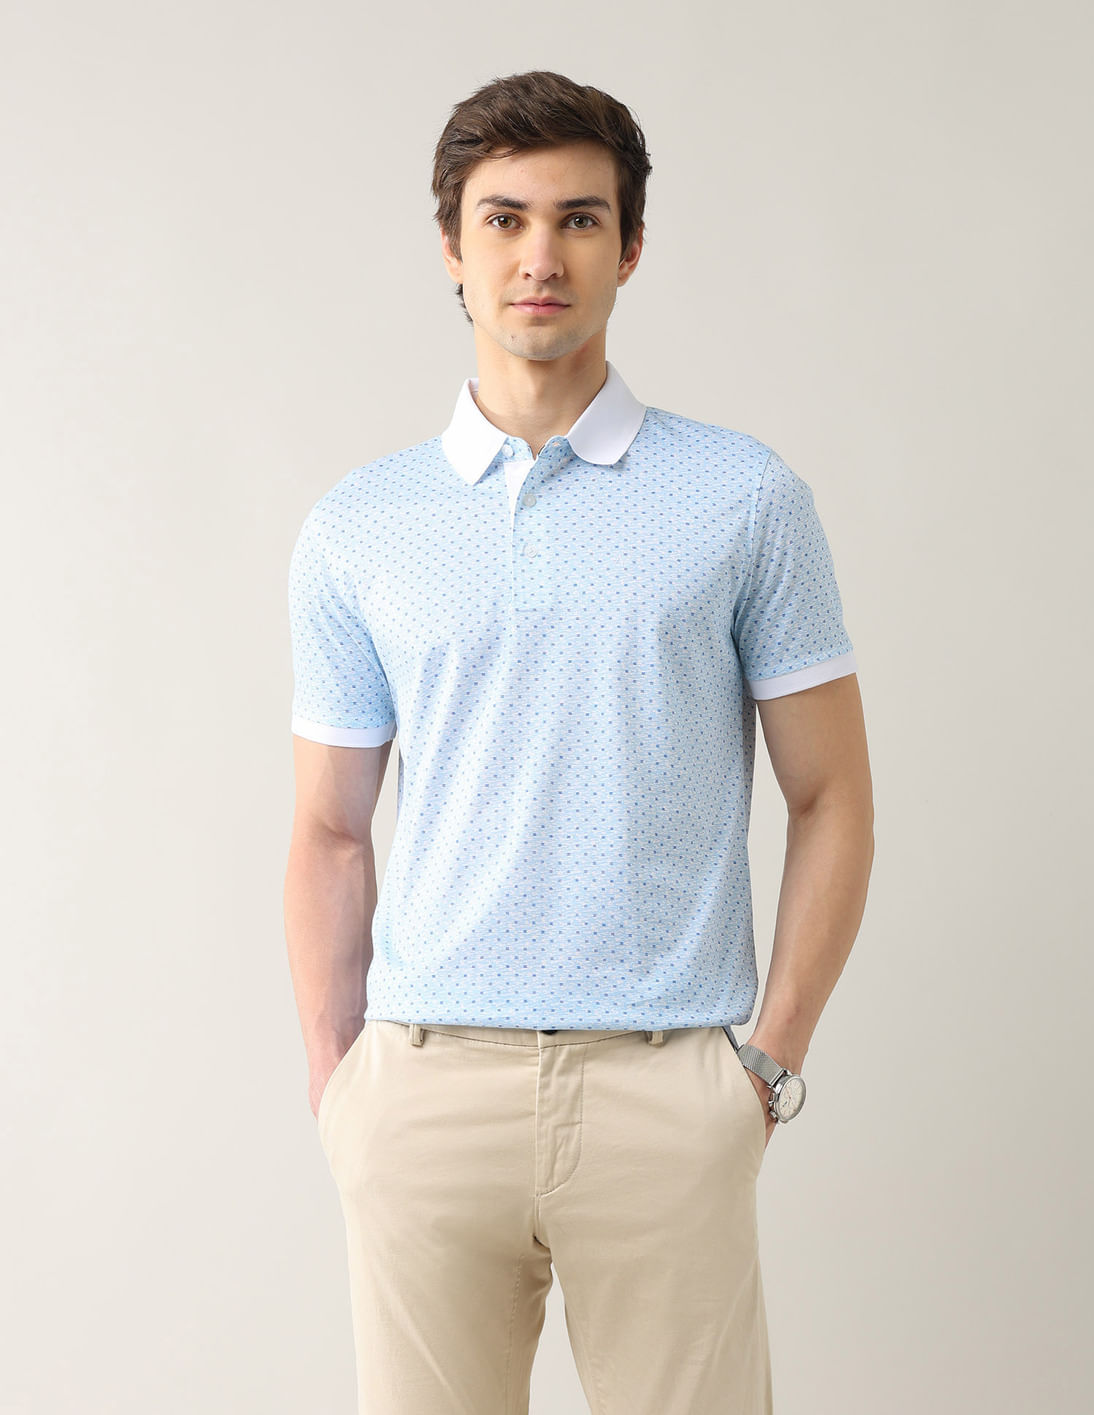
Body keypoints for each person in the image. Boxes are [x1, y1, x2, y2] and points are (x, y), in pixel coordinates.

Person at [284, 68, 874, 1415]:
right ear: (451, 246)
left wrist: (764, 1067)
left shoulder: (743, 499)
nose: (538, 257)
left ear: (631, 246)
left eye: (578, 220)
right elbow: (327, 827)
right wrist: (341, 1087)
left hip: (666, 1091)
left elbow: (833, 795)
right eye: (502, 220)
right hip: (425, 1093)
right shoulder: (359, 527)